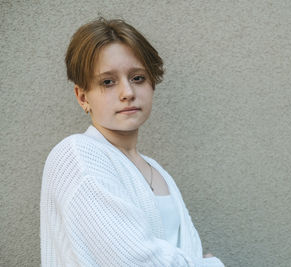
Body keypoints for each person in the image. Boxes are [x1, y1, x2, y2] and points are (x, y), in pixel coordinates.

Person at [40, 17, 224, 267]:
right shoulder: (75, 155)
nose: (128, 92)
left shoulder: (158, 171)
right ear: (83, 96)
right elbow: (132, 259)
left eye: (138, 78)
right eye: (108, 81)